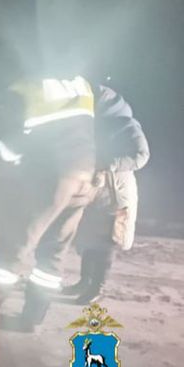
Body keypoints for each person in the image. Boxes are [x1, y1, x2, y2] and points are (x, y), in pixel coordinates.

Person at [0, 74, 97, 331]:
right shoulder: (80, 84)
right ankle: (32, 319)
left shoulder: (24, 89)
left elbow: (10, 147)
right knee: (53, 254)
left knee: (13, 249)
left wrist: (7, 154)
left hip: (48, 183)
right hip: (83, 181)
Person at [62, 85, 150, 303]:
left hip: (117, 192)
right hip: (95, 191)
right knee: (89, 239)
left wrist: (109, 164)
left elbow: (141, 155)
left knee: (107, 241)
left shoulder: (127, 125)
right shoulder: (93, 125)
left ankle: (97, 288)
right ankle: (84, 282)